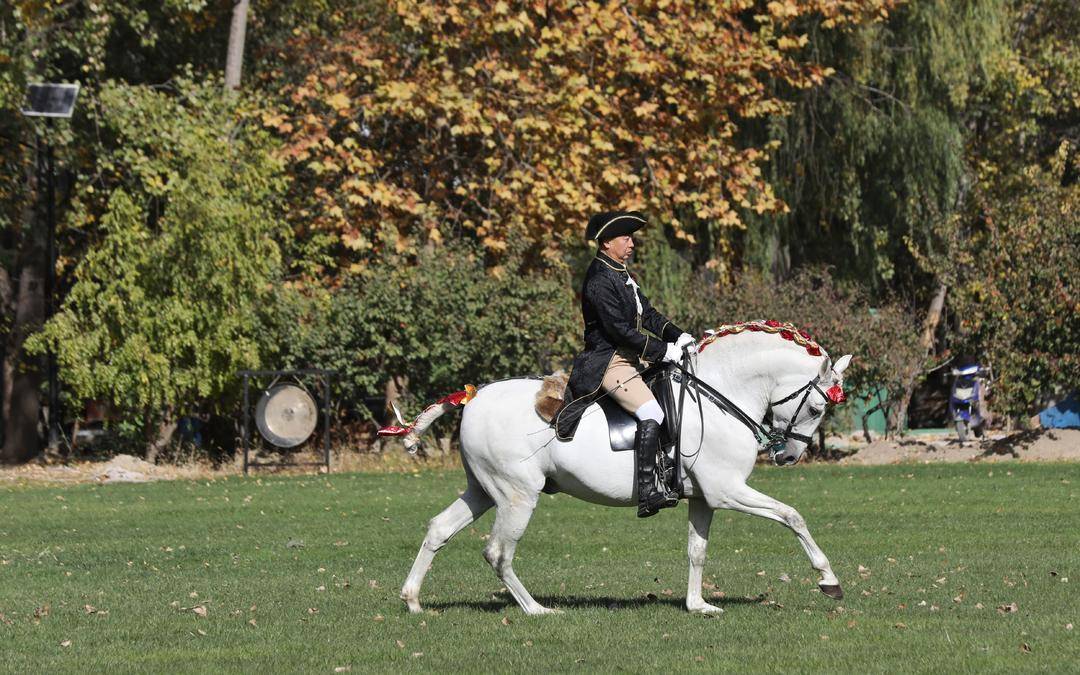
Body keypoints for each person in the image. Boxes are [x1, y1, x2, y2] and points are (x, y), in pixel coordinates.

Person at [553, 211, 695, 517]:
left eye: (631, 238)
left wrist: (678, 335)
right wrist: (663, 351)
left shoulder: (620, 273)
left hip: (631, 358)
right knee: (652, 411)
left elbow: (648, 315)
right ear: (607, 242)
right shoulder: (599, 279)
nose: (632, 244)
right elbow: (619, 331)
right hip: (608, 362)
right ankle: (648, 493)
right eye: (626, 238)